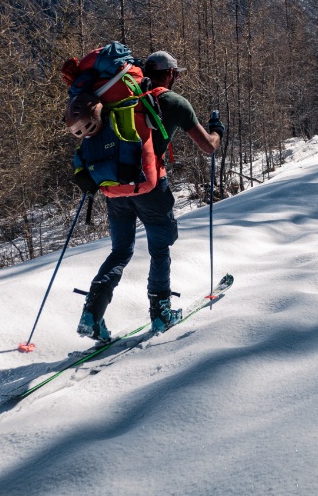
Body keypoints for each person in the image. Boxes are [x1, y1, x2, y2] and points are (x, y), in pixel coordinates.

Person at [67, 49, 225, 341]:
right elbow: (208, 147)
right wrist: (217, 130)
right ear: (170, 74)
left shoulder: (113, 97)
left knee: (121, 250)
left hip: (115, 187)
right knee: (159, 248)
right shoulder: (173, 101)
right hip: (151, 185)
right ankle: (161, 312)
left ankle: (92, 314)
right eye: (175, 74)